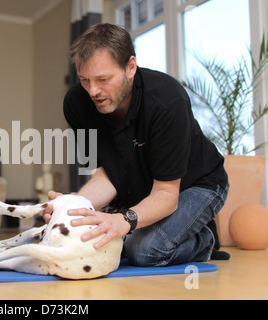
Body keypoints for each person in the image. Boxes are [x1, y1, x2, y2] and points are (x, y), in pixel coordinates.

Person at [44, 23, 230, 267]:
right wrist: (73, 209)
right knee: (103, 240)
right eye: (85, 80)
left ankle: (204, 239)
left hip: (196, 185)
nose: (93, 91)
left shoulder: (166, 100)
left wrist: (125, 219)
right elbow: (105, 176)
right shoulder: (77, 103)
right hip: (144, 189)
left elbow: (166, 193)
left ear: (130, 67)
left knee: (144, 251)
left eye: (103, 79)